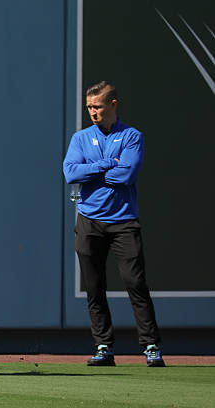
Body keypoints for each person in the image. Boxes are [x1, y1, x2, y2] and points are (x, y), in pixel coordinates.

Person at [63, 81, 165, 367]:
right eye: (89, 107)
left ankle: (151, 346)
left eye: (98, 106)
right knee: (95, 288)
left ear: (113, 104)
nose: (93, 112)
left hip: (123, 223)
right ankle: (103, 346)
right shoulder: (80, 138)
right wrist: (105, 164)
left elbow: (126, 175)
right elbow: (71, 172)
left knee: (136, 283)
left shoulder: (132, 136)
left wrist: (92, 172)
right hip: (89, 221)